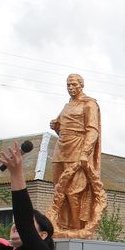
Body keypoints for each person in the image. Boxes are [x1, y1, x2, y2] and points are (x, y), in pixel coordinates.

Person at [47, 73, 107, 238]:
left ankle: (76, 227)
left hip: (77, 148)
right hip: (61, 149)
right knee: (59, 190)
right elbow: (63, 128)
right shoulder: (67, 105)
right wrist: (56, 126)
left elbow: (92, 130)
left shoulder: (89, 104)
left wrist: (85, 152)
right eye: (68, 85)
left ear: (81, 85)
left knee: (74, 191)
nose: (71, 88)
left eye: (74, 84)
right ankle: (63, 225)